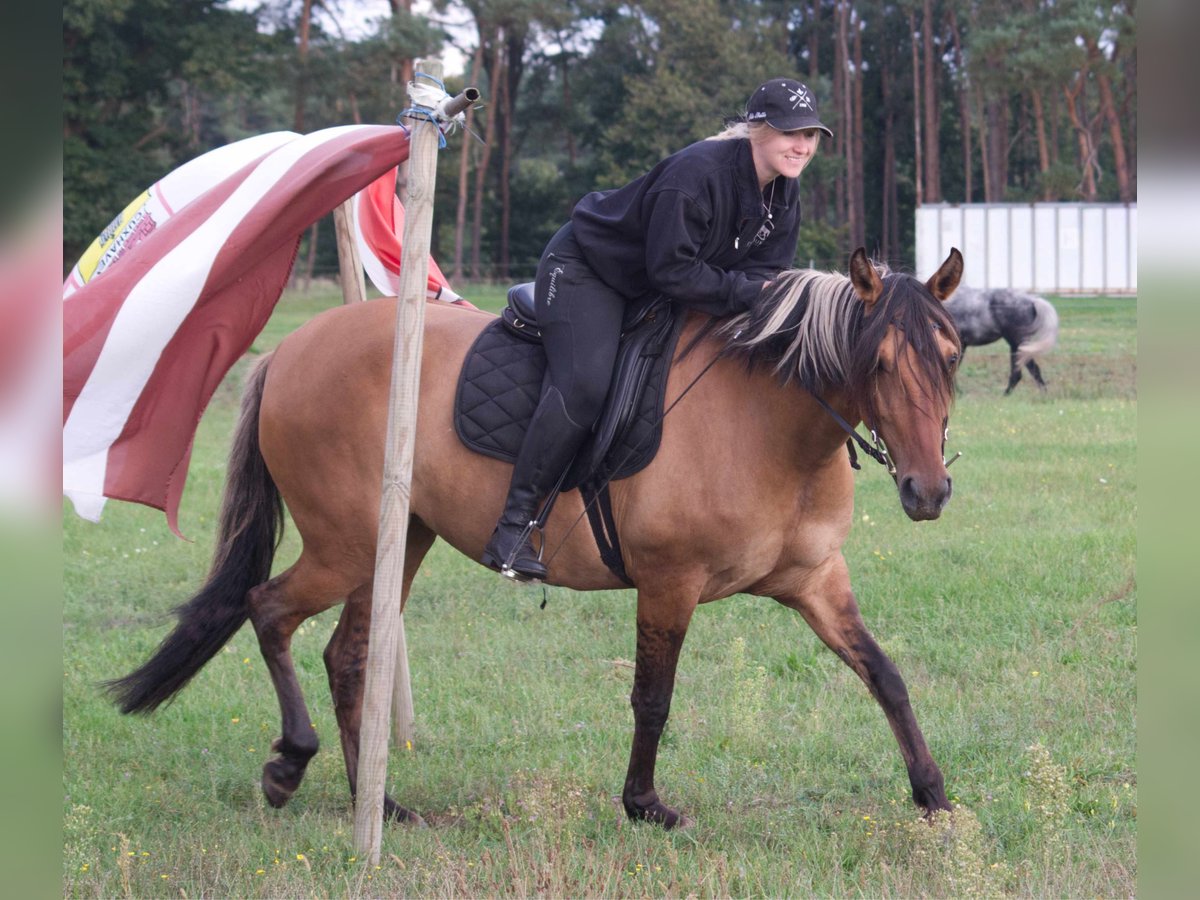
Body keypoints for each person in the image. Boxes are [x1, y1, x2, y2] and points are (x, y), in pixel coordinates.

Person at [481, 78, 832, 581]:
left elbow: (766, 276)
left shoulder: (785, 191)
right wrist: (751, 293)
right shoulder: (695, 175)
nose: (802, 146)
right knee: (584, 385)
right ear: (757, 129)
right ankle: (513, 526)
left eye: (812, 135)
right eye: (789, 133)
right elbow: (675, 273)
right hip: (589, 268)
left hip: (656, 284)